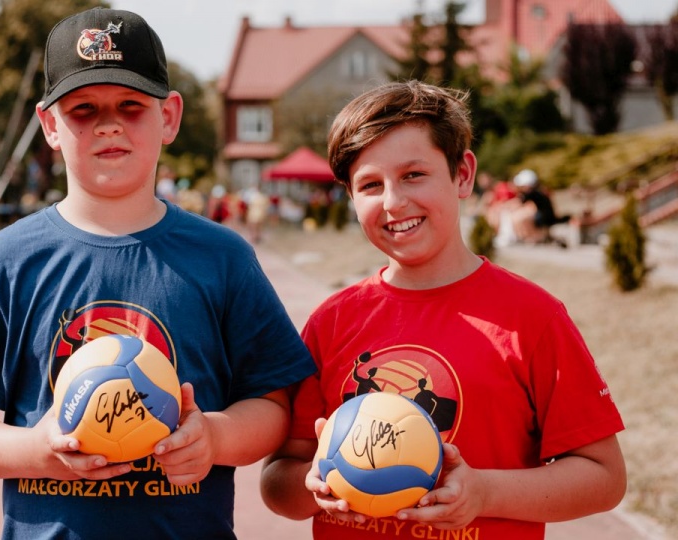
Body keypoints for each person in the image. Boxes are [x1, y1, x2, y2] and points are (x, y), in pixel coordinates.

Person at [0, 7, 316, 539]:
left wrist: (215, 438)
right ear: (50, 126)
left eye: (131, 105)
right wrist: (34, 450)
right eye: (83, 109)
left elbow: (273, 405)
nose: (109, 124)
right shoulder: (5, 262)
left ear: (170, 117)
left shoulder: (222, 257)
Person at [259, 81, 626, 539]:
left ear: (463, 174)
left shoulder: (532, 318)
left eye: (414, 174)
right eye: (371, 185)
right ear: (351, 199)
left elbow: (604, 477)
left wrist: (485, 493)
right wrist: (311, 484)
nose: (394, 202)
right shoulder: (331, 322)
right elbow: (277, 483)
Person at [510, 168, 569, 245]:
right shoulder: (539, 191)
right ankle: (532, 237)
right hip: (547, 215)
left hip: (544, 217)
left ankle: (534, 237)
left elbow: (519, 203)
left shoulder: (532, 193)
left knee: (522, 217)